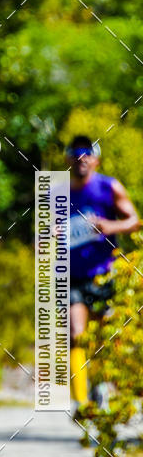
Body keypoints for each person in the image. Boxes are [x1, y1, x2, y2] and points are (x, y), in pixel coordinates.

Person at [67, 135, 140, 414]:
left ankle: (101, 389)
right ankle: (80, 401)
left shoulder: (109, 187)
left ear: (96, 159)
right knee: (77, 333)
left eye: (87, 153)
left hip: (104, 274)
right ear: (68, 159)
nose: (81, 158)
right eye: (76, 153)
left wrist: (110, 226)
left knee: (101, 337)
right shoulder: (58, 193)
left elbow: (134, 221)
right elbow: (41, 233)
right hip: (72, 275)